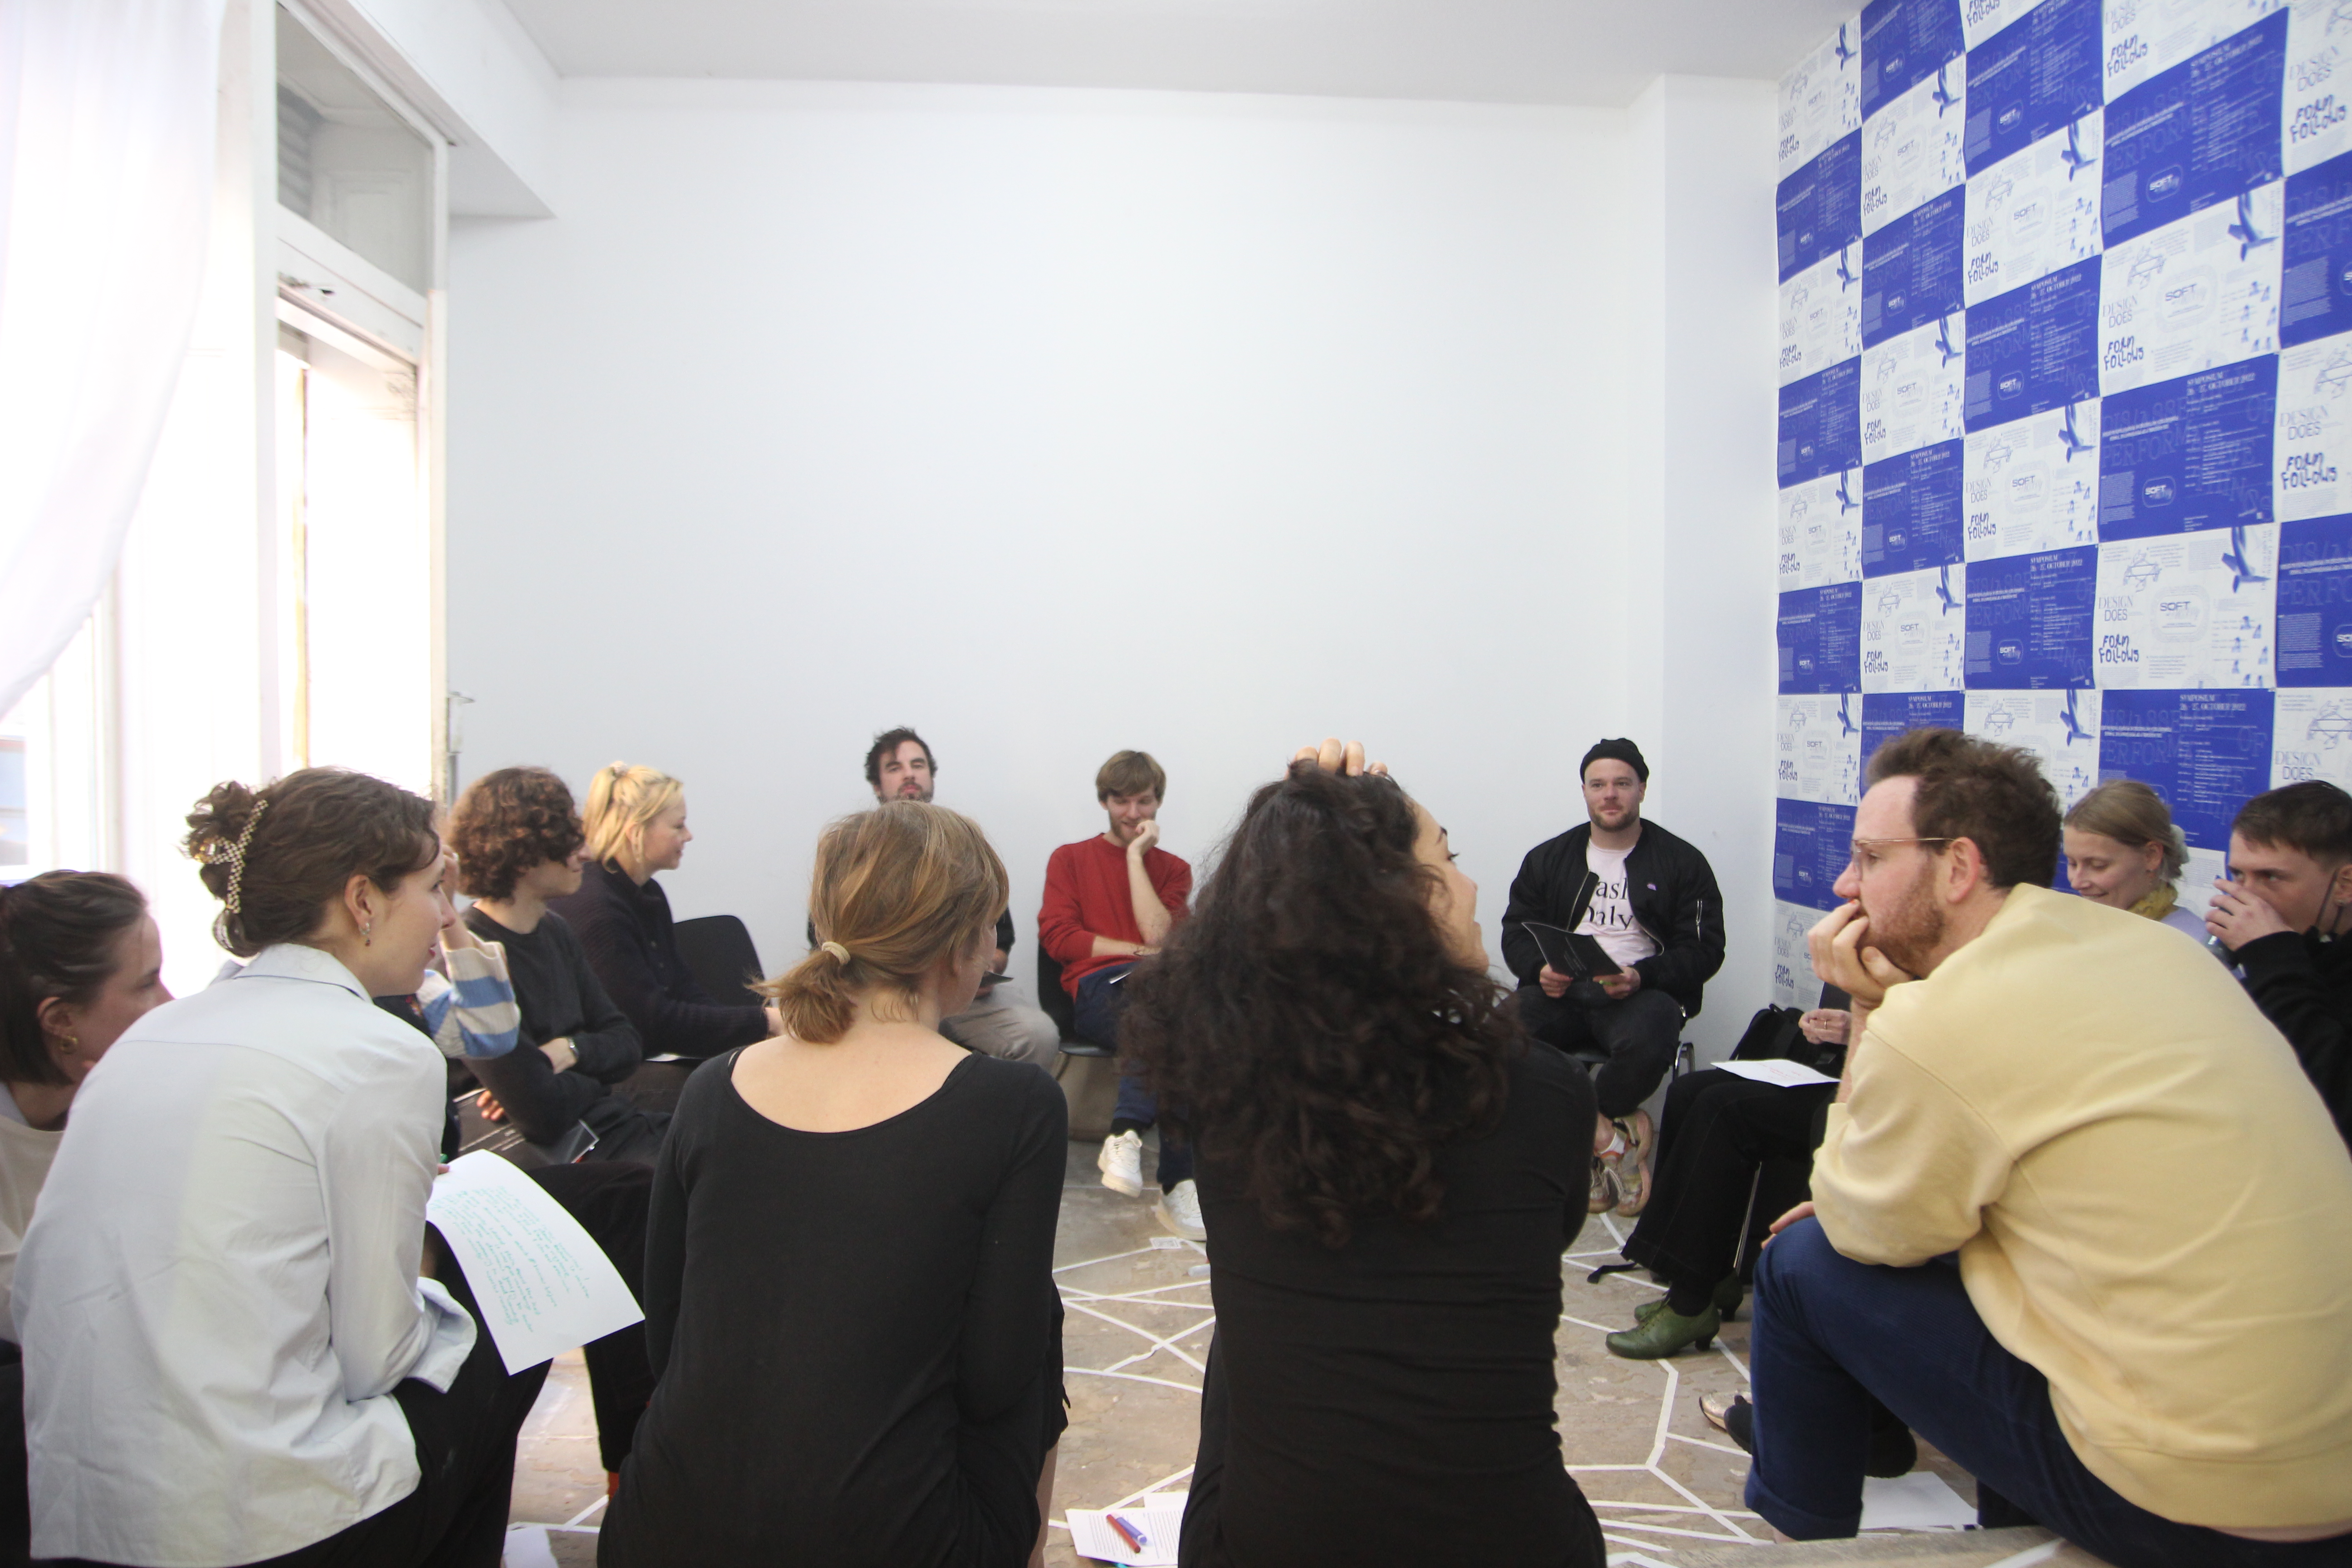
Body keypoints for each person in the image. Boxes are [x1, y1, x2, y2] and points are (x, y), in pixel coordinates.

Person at [1746, 728, 2352, 1563]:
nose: (1844, 885)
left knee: (1800, 1263)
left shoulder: (1941, 1015)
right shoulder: (2160, 951)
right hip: (2328, 1474)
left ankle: (1797, 1546)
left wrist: (1867, 1009)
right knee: (1990, 1256)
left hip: (2204, 1506)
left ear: (1957, 867)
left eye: (1869, 858)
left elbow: (1857, 1228)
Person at [15, 768, 550, 1567]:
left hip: (83, 1517)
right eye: (434, 888)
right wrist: (434, 1278)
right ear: (363, 900)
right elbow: (377, 1358)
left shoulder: (146, 1038)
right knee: (514, 1322)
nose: (447, 916)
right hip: (252, 1527)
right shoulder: (380, 1050)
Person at [1121, 738, 1607, 1568]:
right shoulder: (1546, 1092)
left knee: (1241, 1341)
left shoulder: (1226, 1096)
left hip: (1271, 1548)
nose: (1469, 886)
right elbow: (1541, 1228)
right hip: (1521, 1546)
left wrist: (1298, 838)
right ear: (1392, 901)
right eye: (1448, 859)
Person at [601, 802, 1066, 1568]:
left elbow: (666, 1340)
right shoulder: (1014, 1103)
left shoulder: (714, 1086)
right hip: (891, 1538)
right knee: (1036, 1311)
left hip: (662, 1528)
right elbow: (996, 1378)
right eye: (990, 925)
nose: (993, 947)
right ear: (958, 944)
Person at [0, 872, 172, 1563]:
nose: (170, 1004)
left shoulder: (118, 1104)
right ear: (60, 1022)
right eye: (147, 984)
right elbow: (46, 1311)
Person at [1501, 739, 1725, 1216]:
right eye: (1598, 785)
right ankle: (1610, 1135)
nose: (1610, 795)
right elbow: (1516, 930)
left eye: (1622, 784)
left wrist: (1643, 976)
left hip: (1638, 993)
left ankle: (1583, 1141)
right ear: (1584, 791)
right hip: (1561, 991)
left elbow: (1705, 950)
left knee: (1650, 1037)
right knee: (1497, 1038)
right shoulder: (1548, 858)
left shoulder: (1682, 862)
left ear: (1641, 789)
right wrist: (1539, 970)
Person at [1599, 994, 1850, 1361]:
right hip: (1838, 1068)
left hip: (1868, 1093)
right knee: (1686, 1092)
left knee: (1722, 1110)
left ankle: (1690, 1303)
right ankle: (1713, 1273)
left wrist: (1860, 1028)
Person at [449, 766, 666, 1163]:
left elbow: (626, 1044)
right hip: (558, 1157)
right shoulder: (468, 958)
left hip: (608, 1128)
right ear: (522, 854)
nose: (585, 853)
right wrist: (591, 1075)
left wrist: (569, 1051)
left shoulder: (555, 930)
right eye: (567, 843)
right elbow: (541, 1114)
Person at [822, 728, 1056, 1069]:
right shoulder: (855, 848)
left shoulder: (963, 843)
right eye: (895, 768)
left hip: (967, 992)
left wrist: (985, 967)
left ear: (931, 775)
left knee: (1038, 1034)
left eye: (918, 765)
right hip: (881, 994)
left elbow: (1000, 934)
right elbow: (828, 940)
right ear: (877, 785)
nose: (909, 774)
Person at [1038, 750, 1197, 1237]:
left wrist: (1134, 858)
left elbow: (1162, 937)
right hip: (1097, 989)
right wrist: (1135, 952)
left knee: (1173, 1023)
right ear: (1104, 801)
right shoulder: (1069, 859)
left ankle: (1126, 1134)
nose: (1132, 813)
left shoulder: (1174, 870)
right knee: (1166, 1019)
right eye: (1121, 801)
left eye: (1143, 801)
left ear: (1158, 802)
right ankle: (1179, 1180)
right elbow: (1060, 938)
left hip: (1155, 993)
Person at [549, 762, 771, 1062]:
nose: (689, 835)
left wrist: (749, 1040)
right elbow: (650, 1024)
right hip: (609, 1070)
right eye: (678, 826)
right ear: (636, 833)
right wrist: (764, 1023)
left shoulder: (648, 894)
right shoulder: (600, 910)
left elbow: (685, 991)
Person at [2207, 779, 2352, 1147]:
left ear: (2345, 885)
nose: (2248, 898)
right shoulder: (2300, 954)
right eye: (2238, 875)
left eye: (2271, 877)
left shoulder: (2280, 962)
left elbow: (2333, 1100)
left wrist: (2272, 958)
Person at [2062, 779, 2207, 940]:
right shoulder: (2069, 929)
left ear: (2151, 856)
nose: (2077, 883)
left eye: (2098, 866)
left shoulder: (2188, 943)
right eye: (2072, 864)